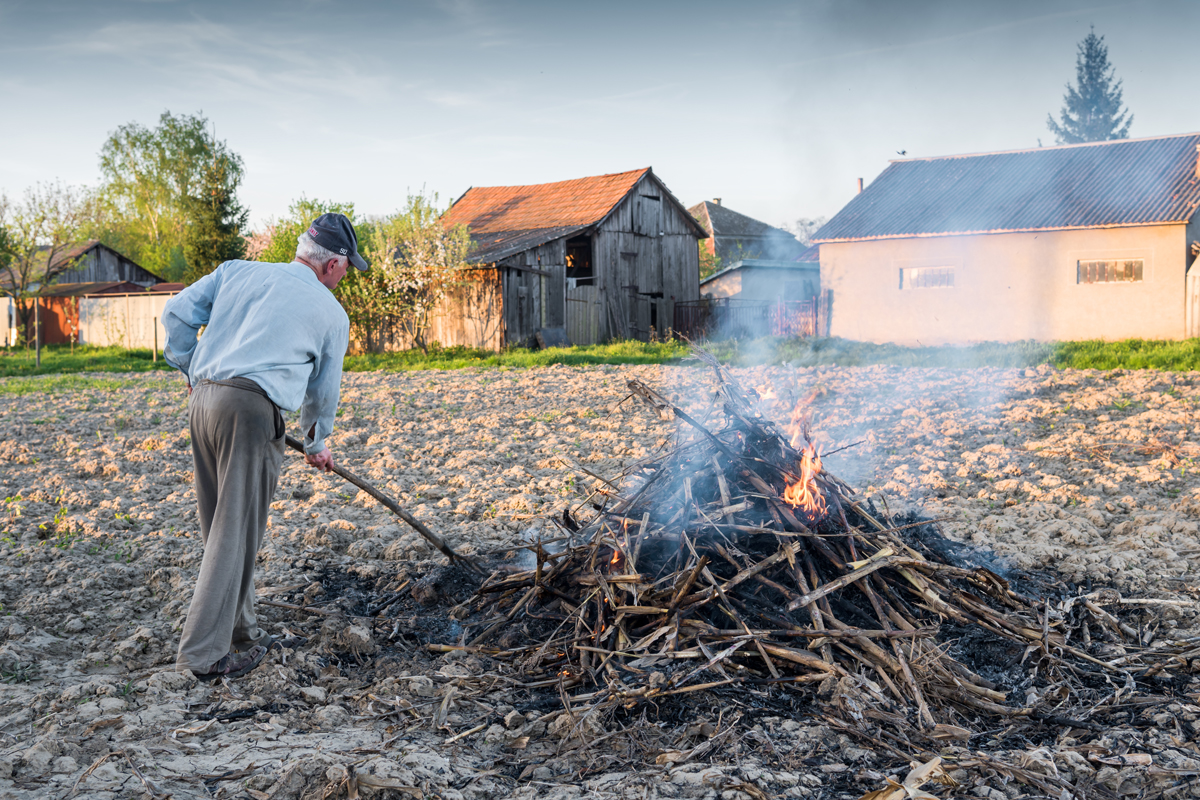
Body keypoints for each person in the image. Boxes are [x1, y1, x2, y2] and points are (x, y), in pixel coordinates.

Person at [162, 213, 369, 681]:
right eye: (346, 268)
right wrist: (317, 442)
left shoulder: (237, 270)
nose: (344, 276)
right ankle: (202, 655)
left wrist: (190, 371)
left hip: (205, 401)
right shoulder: (332, 314)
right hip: (251, 413)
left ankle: (242, 630)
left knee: (220, 525)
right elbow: (323, 391)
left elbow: (174, 313)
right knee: (234, 531)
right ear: (333, 265)